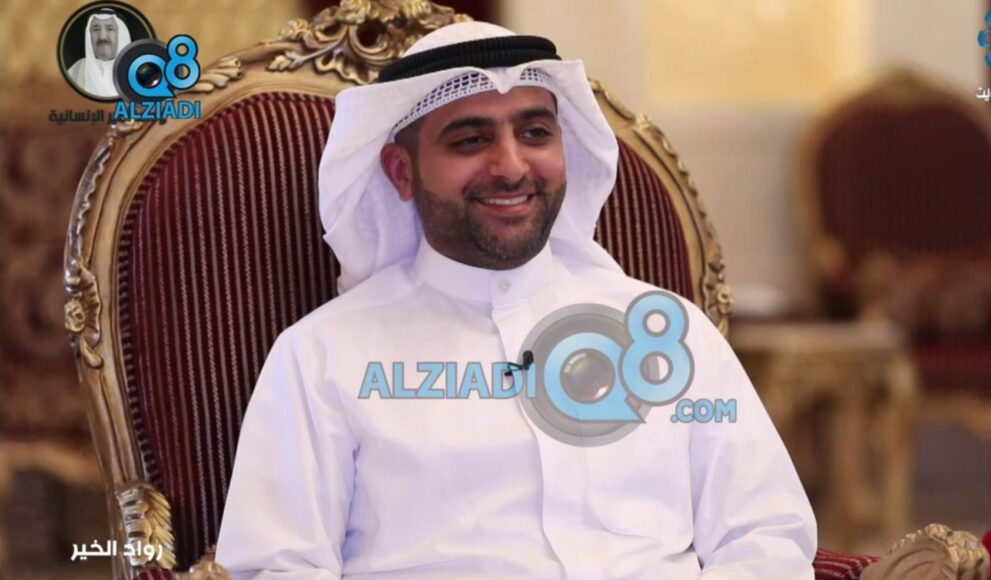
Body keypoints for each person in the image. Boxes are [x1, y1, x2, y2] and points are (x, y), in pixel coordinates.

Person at [215, 21, 816, 579]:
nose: (510, 166)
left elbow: (765, 533)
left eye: (534, 133)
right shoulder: (320, 356)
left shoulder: (670, 331)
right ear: (401, 171)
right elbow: (276, 567)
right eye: (471, 139)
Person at [66, 8, 131, 98]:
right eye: (96, 29)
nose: (102, 36)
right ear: (89, 36)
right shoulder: (77, 70)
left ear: (121, 35)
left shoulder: (136, 72)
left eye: (110, 29)